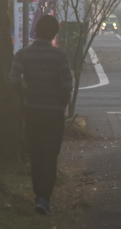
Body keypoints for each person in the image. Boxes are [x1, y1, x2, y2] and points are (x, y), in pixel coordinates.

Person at [9, 14, 73, 216]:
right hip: (54, 113)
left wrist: (25, 93)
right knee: (50, 154)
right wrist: (61, 104)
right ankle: (45, 196)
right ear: (55, 33)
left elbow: (13, 79)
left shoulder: (22, 55)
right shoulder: (60, 57)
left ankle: (39, 195)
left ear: (36, 31)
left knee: (36, 154)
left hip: (33, 110)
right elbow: (66, 86)